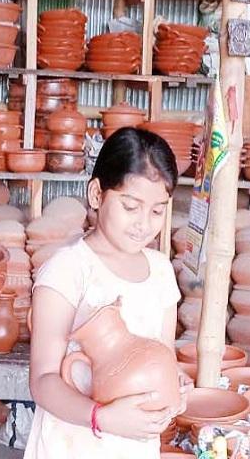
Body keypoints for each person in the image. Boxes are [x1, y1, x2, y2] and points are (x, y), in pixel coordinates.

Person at [25, 127, 185, 459]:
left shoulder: (160, 272)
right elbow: (43, 380)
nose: (144, 224)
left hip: (134, 449)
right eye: (130, 206)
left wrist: (176, 386)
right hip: (71, 447)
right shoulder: (68, 270)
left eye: (157, 211)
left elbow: (165, 355)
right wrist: (102, 417)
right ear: (97, 194)